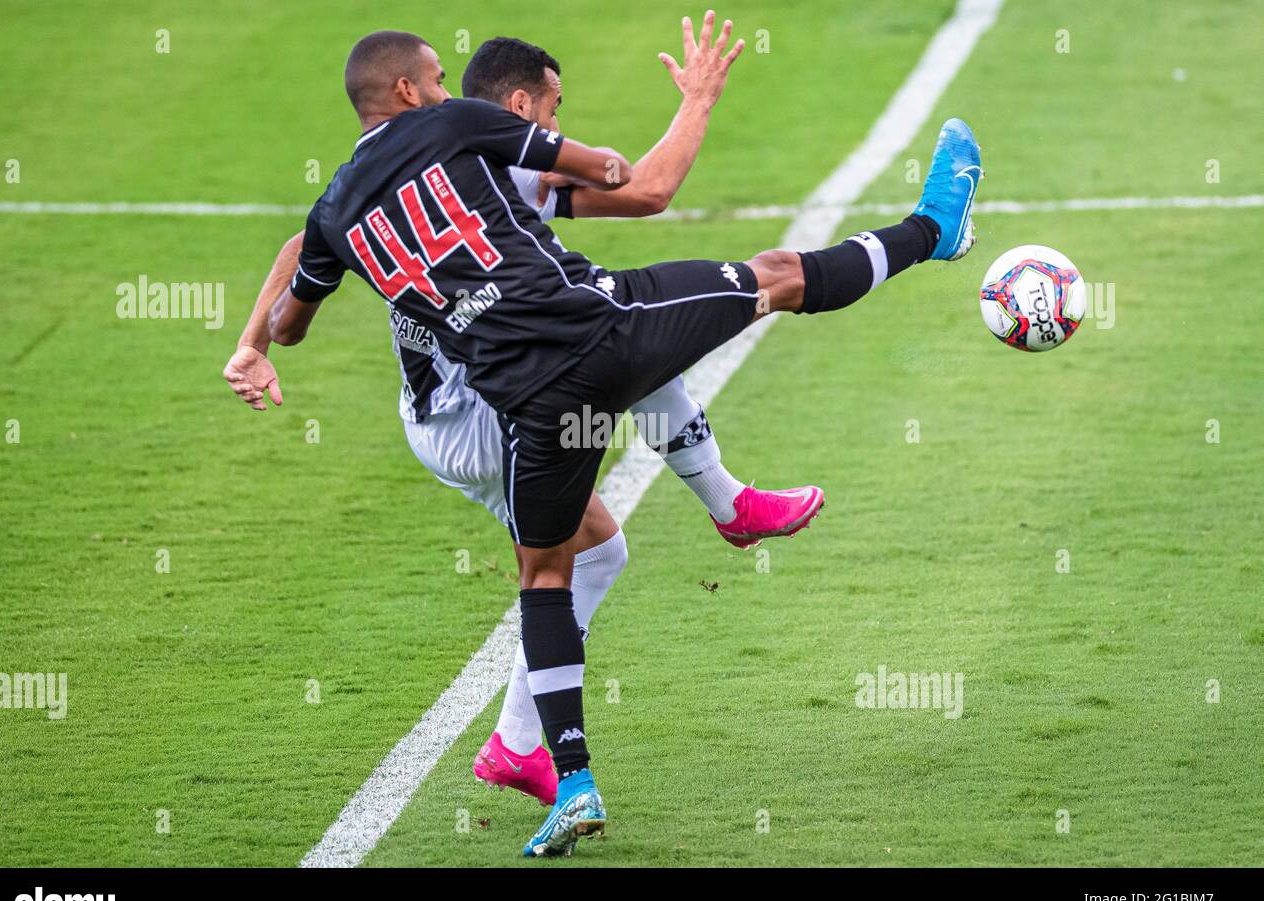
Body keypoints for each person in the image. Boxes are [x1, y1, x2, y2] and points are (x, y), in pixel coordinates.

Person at [225, 13, 983, 857]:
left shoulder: (340, 208)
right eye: (437, 78)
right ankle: (931, 235)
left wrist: (257, 343)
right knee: (773, 278)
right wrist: (647, 121)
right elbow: (633, 180)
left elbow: (301, 276)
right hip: (563, 352)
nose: (446, 88)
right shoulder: (461, 129)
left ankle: (565, 771)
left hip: (519, 401)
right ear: (411, 92)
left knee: (552, 572)